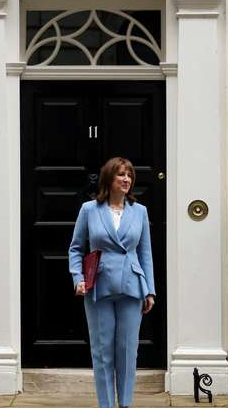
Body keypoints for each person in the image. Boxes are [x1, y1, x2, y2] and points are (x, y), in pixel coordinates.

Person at [68, 156, 156, 408]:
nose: (126, 179)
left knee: (128, 351)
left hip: (132, 286)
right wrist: (78, 278)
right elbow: (76, 248)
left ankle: (125, 404)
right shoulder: (89, 210)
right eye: (121, 174)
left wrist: (149, 290)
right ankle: (105, 404)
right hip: (98, 286)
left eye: (129, 174)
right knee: (102, 351)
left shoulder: (140, 212)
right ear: (109, 178)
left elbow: (145, 253)